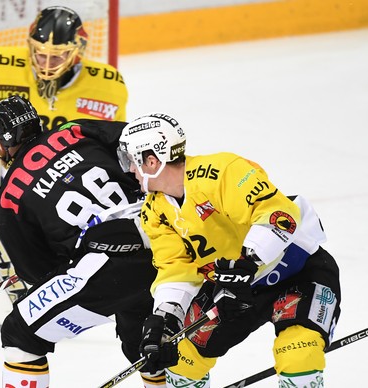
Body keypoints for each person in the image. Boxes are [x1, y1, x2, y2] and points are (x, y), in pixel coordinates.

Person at [116, 113, 341, 387]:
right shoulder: (154, 211)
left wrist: (247, 261)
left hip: (296, 271)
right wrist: (164, 319)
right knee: (182, 362)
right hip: (232, 291)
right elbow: (176, 269)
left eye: (131, 161)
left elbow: (280, 215)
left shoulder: (221, 170)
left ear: (151, 161)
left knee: (298, 352)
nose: (129, 170)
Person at [0, 95, 166, 388]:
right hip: (165, 236)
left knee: (20, 333)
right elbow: (139, 142)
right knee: (147, 342)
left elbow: (38, 273)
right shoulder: (76, 129)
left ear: (3, 141)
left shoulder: (7, 198)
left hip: (110, 266)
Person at [0, 6, 128, 258]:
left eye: (57, 57)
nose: (47, 64)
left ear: (76, 53)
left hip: (68, 183)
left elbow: (110, 145)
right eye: (40, 55)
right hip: (8, 179)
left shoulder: (108, 84)